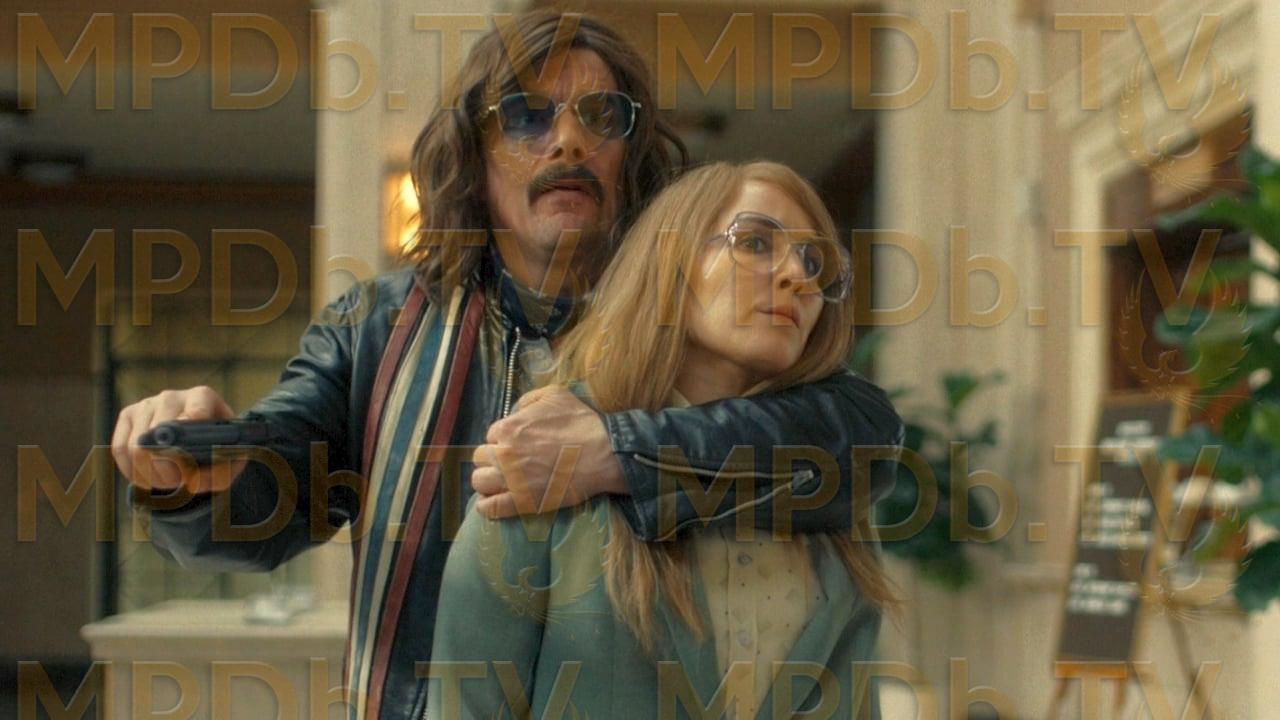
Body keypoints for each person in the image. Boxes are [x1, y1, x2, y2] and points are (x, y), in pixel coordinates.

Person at [110, 11, 904, 719]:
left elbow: (858, 437)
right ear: (475, 152)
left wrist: (616, 453)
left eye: (602, 116)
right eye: (527, 115)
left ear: (632, 157)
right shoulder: (379, 328)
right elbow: (272, 494)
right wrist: (190, 483)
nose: (569, 141)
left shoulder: (690, 325)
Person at [429, 160, 896, 720]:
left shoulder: (831, 491)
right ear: (671, 260)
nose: (798, 275)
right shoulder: (545, 463)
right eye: (754, 242)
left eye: (816, 262)